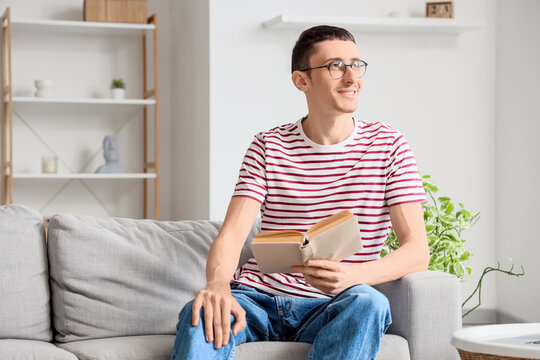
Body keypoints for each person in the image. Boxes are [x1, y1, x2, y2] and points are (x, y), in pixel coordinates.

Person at [171, 25, 429, 360]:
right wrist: (218, 285)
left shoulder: (389, 145)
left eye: (356, 64)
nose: (351, 77)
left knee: (370, 303)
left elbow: (417, 251)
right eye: (335, 66)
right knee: (201, 312)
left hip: (338, 303)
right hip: (258, 298)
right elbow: (232, 235)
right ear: (301, 81)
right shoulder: (269, 145)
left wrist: (352, 275)